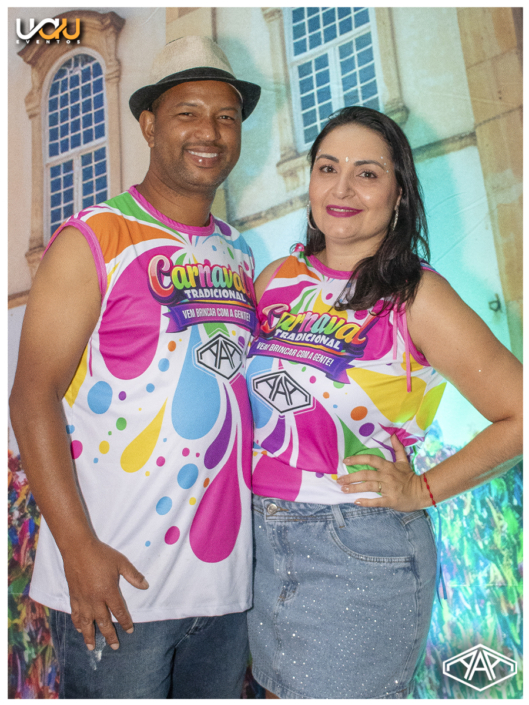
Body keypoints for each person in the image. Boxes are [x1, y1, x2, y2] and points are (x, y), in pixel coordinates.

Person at [10, 36, 261, 699]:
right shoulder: (92, 237)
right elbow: (31, 398)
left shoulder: (239, 254)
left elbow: (232, 390)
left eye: (226, 116)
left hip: (223, 588)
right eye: (187, 113)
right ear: (149, 125)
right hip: (117, 583)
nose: (210, 132)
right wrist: (78, 550)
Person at [245, 106, 522, 699]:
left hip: (356, 550)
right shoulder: (275, 280)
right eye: (328, 168)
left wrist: (422, 490)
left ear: (399, 194)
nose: (342, 189)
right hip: (259, 547)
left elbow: (520, 414)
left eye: (367, 173)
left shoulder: (417, 295)